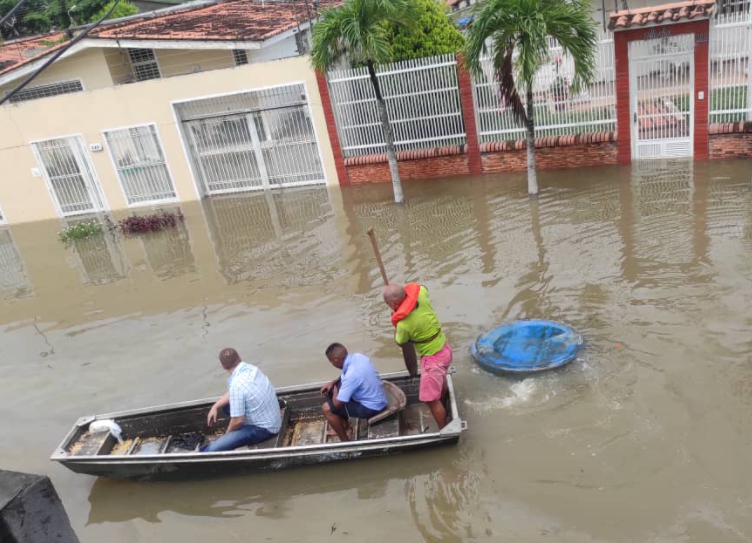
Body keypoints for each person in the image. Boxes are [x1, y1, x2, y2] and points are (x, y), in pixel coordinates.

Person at [383, 283, 451, 428]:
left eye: (388, 304)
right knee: (441, 382)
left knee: (430, 400)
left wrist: (395, 321)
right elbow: (424, 287)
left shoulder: (403, 325)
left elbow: (400, 341)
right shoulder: (421, 294)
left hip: (432, 360)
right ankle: (444, 406)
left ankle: (444, 429)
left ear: (395, 303)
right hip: (444, 348)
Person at [201, 348, 282, 452]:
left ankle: (202, 452)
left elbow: (238, 421)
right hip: (272, 419)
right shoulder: (252, 368)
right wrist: (215, 406)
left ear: (223, 366)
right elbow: (234, 393)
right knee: (225, 406)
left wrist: (227, 436)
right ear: (239, 357)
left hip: (266, 429)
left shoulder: (236, 385)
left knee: (211, 450)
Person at [320, 343, 388, 442]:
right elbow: (345, 375)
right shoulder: (358, 357)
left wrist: (335, 389)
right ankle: (345, 427)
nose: (333, 365)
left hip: (372, 407)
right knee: (329, 391)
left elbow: (338, 404)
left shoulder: (351, 375)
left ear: (335, 360)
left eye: (332, 363)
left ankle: (345, 441)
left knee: (327, 408)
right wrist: (333, 382)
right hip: (376, 397)